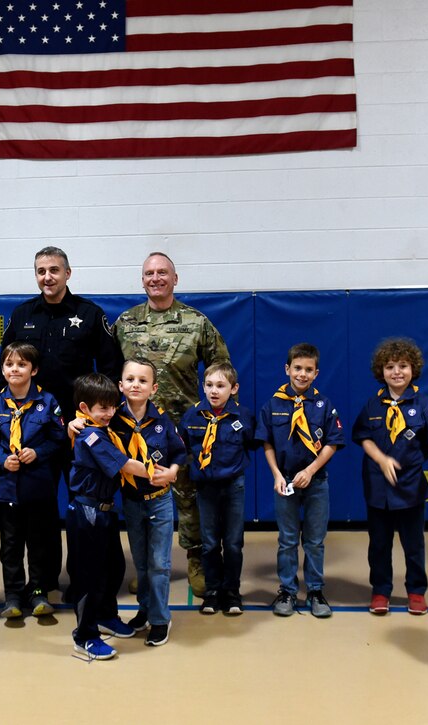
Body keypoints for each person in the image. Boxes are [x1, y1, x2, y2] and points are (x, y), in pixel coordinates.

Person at [0, 246, 124, 596]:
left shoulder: (89, 314)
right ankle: (45, 580)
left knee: (86, 508)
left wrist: (100, 419)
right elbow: (4, 372)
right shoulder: (22, 314)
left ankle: (86, 578)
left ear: (68, 273)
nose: (47, 277)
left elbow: (111, 369)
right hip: (34, 432)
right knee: (40, 510)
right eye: (41, 271)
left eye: (54, 270)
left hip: (80, 431)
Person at [114, 251, 229, 597]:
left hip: (184, 430)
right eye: (149, 273)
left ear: (175, 279)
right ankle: (148, 568)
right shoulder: (125, 323)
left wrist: (217, 418)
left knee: (190, 498)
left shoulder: (197, 323)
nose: (156, 278)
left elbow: (220, 368)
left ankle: (197, 562)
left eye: (163, 273)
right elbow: (111, 374)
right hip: (138, 430)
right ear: (142, 280)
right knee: (143, 499)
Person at [352, 338, 428, 616]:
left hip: (410, 488)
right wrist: (381, 459)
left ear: (414, 369)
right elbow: (363, 437)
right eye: (390, 366)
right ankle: (380, 591)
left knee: (413, 545)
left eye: (403, 366)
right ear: (381, 371)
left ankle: (416, 592)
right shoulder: (373, 405)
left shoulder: (424, 404)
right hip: (377, 488)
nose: (396, 372)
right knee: (379, 545)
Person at [255, 342, 345, 618]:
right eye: (297, 368)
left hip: (316, 482)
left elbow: (332, 442)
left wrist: (311, 470)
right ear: (287, 369)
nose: (302, 374)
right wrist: (277, 475)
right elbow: (266, 442)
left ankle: (316, 589)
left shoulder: (323, 405)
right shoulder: (273, 404)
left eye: (308, 370)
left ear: (316, 373)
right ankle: (287, 590)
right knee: (287, 539)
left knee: (315, 540)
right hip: (285, 482)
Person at [66, 373, 150, 660]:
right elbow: (125, 465)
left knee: (113, 568)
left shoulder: (101, 427)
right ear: (85, 408)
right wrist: (158, 472)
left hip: (104, 510)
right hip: (86, 512)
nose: (110, 413)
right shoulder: (90, 435)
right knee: (89, 577)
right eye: (102, 408)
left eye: (113, 407)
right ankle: (85, 636)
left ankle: (105, 615)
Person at [0, 342, 65, 618]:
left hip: (38, 486)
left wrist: (38, 452)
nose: (14, 369)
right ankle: (13, 595)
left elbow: (58, 439)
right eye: (9, 364)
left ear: (34, 369)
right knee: (11, 545)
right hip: (8, 488)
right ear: (3, 369)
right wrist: (1, 458)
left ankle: (39, 591)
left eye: (21, 364)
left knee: (39, 543)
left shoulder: (48, 402)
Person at [110, 358, 186, 646]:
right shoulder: (113, 420)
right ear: (120, 385)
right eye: (129, 379)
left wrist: (174, 471)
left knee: (159, 563)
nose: (135, 385)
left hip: (160, 501)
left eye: (142, 381)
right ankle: (145, 608)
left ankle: (159, 619)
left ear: (153, 388)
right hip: (131, 500)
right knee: (141, 563)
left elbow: (179, 453)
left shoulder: (162, 421)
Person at [179, 361, 259, 616]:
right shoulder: (192, 416)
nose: (214, 391)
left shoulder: (243, 416)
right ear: (203, 386)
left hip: (234, 485)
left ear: (233, 388)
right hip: (205, 487)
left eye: (221, 386)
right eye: (209, 385)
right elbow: (182, 446)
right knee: (210, 542)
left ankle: (232, 591)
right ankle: (212, 591)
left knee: (233, 542)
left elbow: (250, 442)